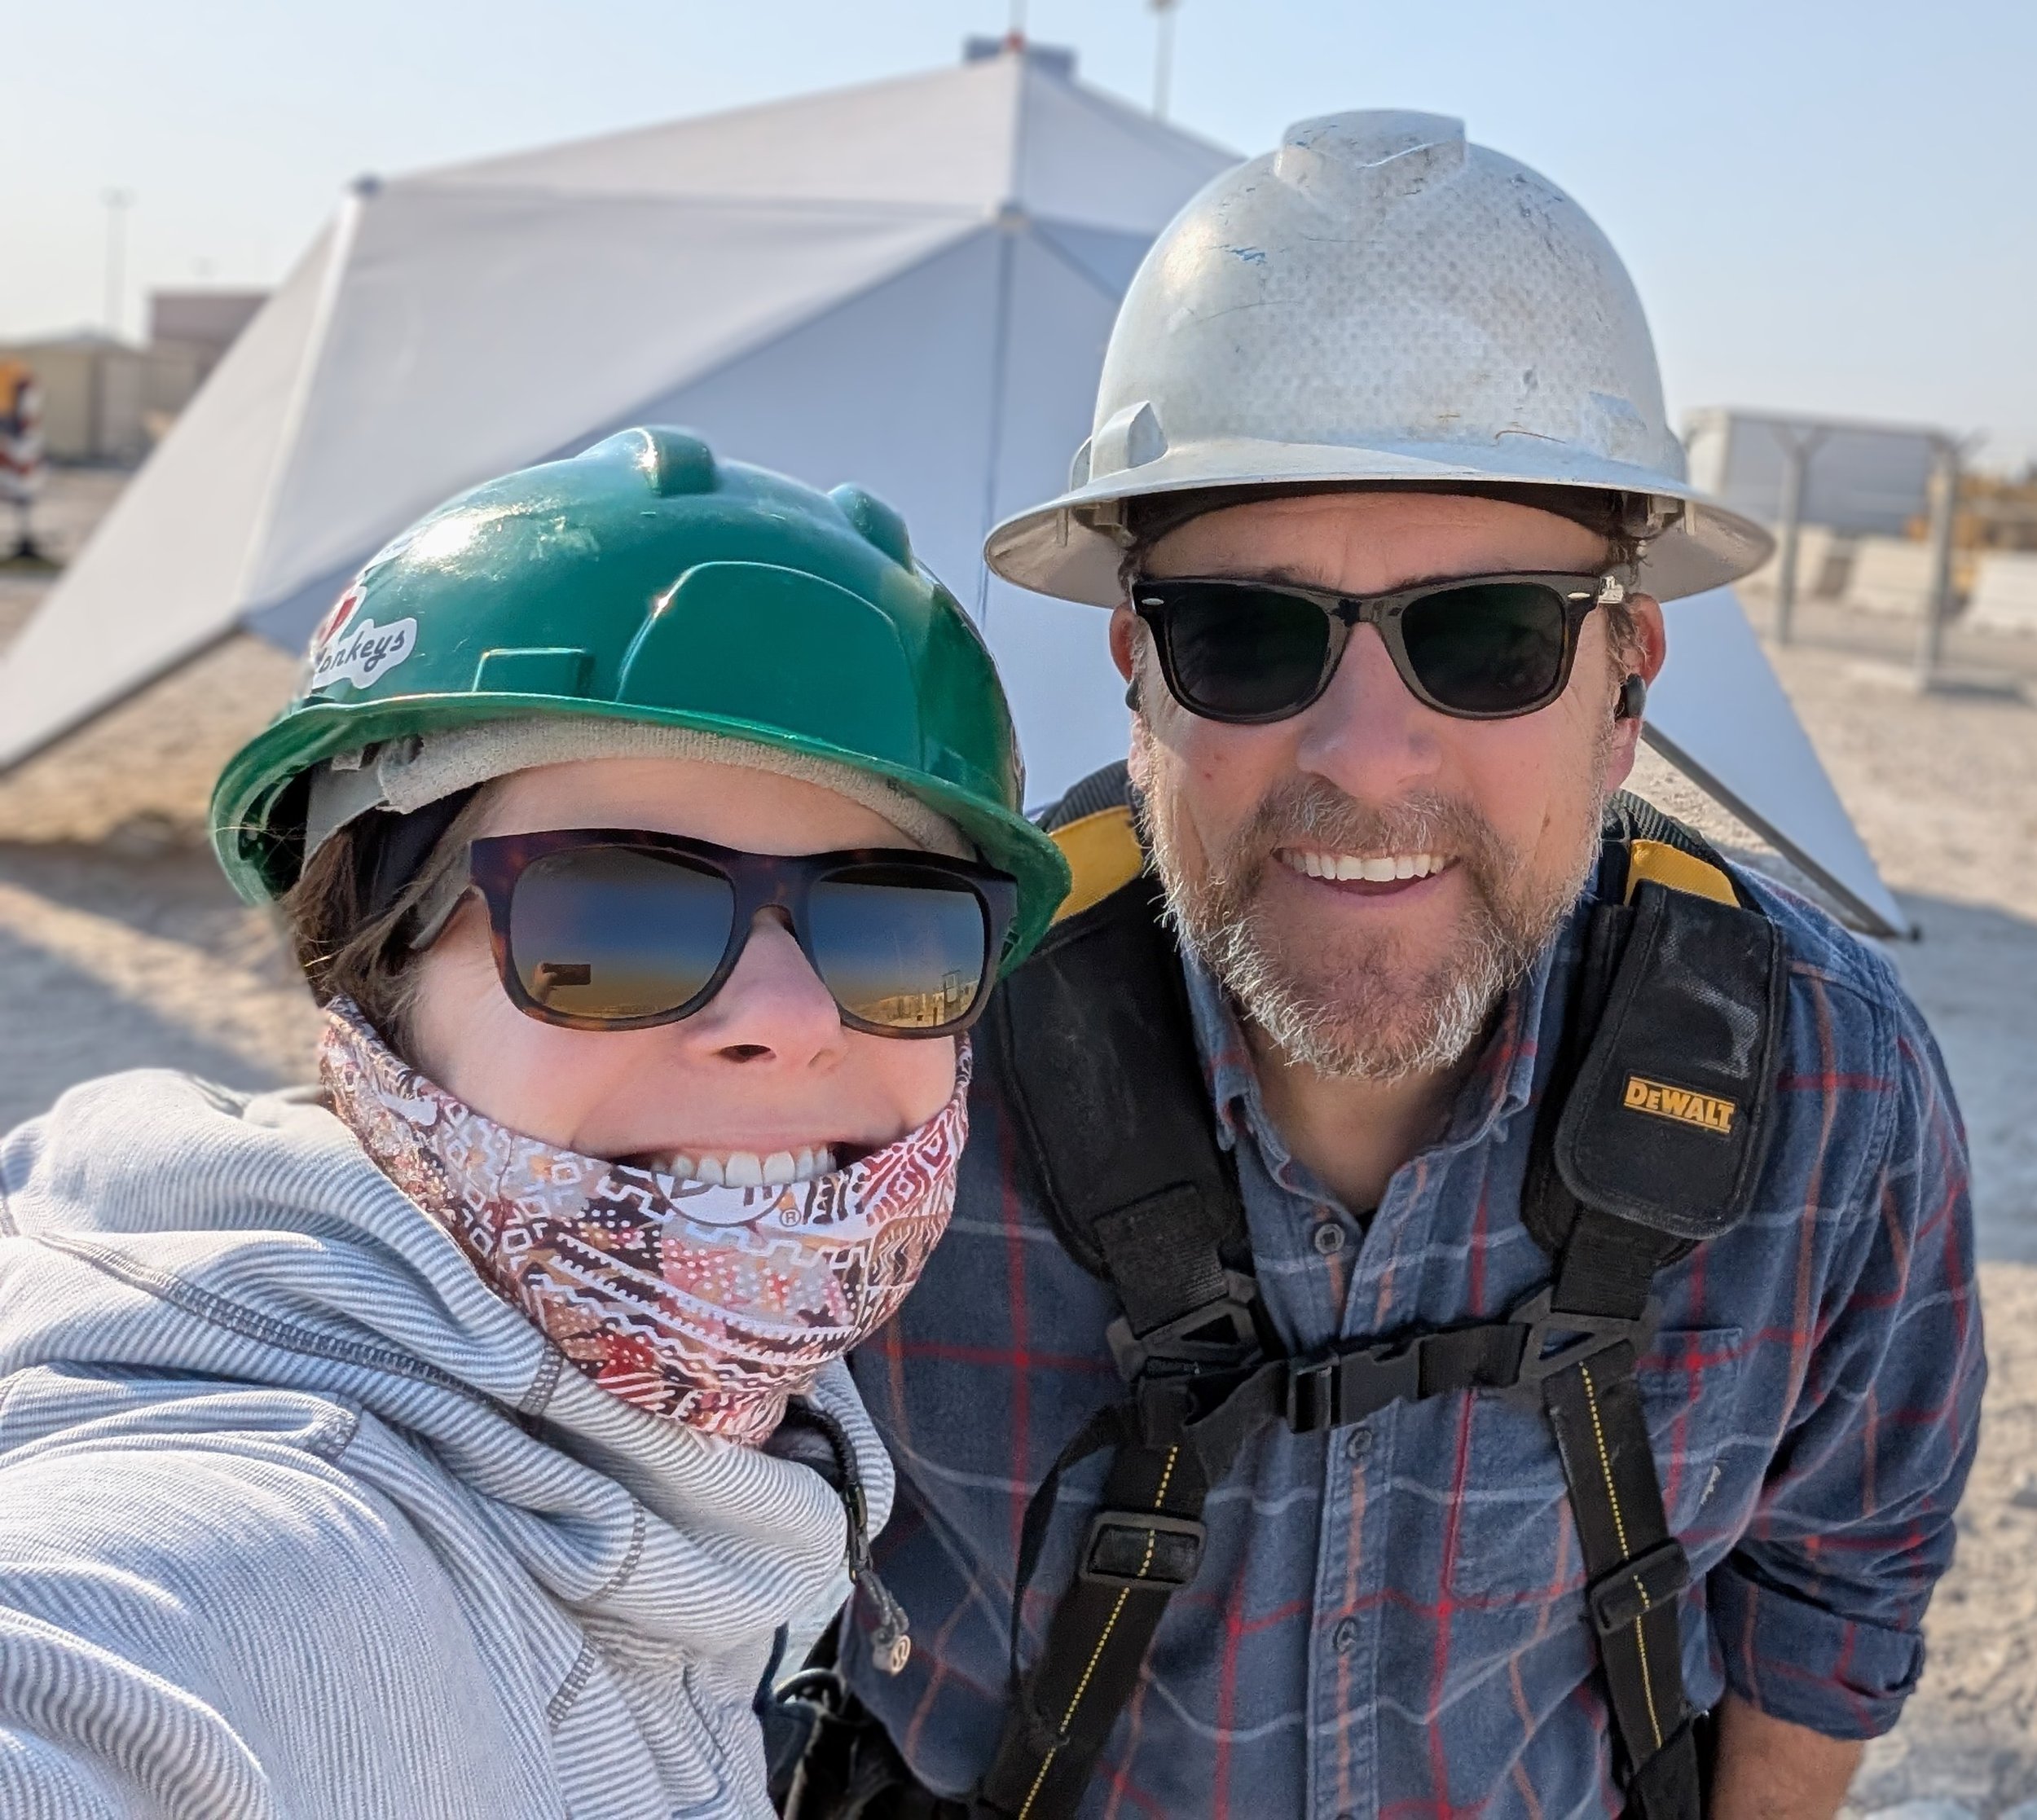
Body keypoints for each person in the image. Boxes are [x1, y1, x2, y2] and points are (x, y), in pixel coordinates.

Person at [821, 114, 1985, 1818]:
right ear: (1133, 671)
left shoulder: (1820, 1086)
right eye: (1246, 634)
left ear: (1625, 678)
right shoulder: (885, 1043)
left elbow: (1836, 1576)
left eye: (1487, 637)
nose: (1365, 756)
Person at [0, 427, 1068, 1819]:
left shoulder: (735, 1482)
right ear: (372, 981)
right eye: (614, 916)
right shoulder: (283, 1560)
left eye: (892, 930)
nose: (792, 1015)